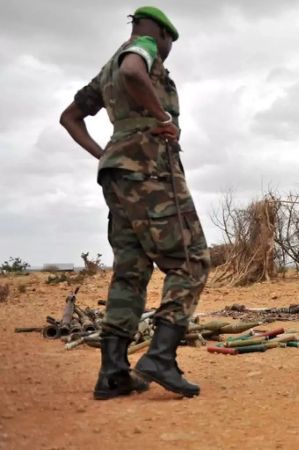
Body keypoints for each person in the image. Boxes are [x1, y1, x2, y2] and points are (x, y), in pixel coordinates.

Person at [59, 6, 210, 399]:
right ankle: (160, 356)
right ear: (161, 33)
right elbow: (132, 71)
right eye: (168, 43)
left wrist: (106, 154)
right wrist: (163, 117)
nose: (166, 51)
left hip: (118, 176)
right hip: (151, 171)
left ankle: (113, 373)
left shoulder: (104, 71)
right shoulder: (141, 48)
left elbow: (70, 117)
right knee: (190, 260)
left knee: (131, 268)